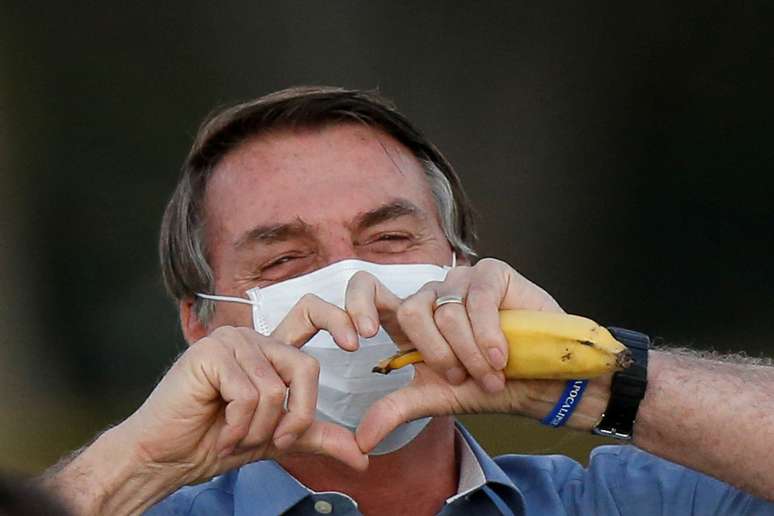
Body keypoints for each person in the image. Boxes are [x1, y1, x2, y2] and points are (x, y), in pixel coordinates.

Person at [39, 86, 774, 515]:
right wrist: (130, 467)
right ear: (199, 322)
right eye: (285, 258)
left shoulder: (622, 504)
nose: (355, 287)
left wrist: (597, 382)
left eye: (389, 239)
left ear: (464, 268)